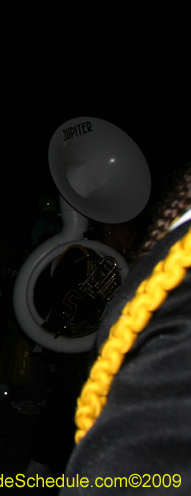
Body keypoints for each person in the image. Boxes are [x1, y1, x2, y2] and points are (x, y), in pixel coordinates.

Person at [61, 162, 191, 492]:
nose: (129, 235)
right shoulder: (81, 255)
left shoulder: (154, 262)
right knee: (62, 400)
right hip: (72, 334)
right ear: (107, 232)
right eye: (122, 230)